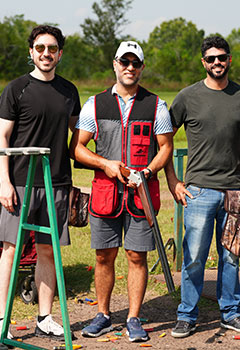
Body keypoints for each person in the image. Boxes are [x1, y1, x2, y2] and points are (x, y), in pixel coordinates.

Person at [69, 40, 173, 342]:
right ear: (115, 64)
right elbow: (77, 148)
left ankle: (133, 318)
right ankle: (102, 315)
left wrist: (148, 172)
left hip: (141, 195)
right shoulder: (95, 103)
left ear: (142, 67)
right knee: (104, 257)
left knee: (137, 257)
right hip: (105, 192)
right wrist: (105, 164)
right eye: (124, 62)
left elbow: (165, 147)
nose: (129, 68)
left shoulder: (156, 105)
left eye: (135, 63)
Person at [165, 36, 240, 338]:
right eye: (211, 59)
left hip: (236, 192)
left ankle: (231, 313)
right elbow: (164, 142)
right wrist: (173, 181)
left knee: (231, 256)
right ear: (203, 62)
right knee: (194, 256)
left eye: (222, 57)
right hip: (197, 190)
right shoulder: (186, 97)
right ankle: (187, 314)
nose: (217, 63)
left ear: (230, 59)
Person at [0, 25, 81, 341]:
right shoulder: (16, 89)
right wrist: (3, 183)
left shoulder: (69, 91)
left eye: (52, 48)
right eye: (40, 48)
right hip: (19, 182)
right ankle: (2, 318)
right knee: (10, 250)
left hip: (56, 183)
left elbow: (81, 136)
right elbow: (2, 137)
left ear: (60, 53)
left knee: (48, 251)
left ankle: (44, 318)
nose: (46, 53)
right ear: (31, 52)